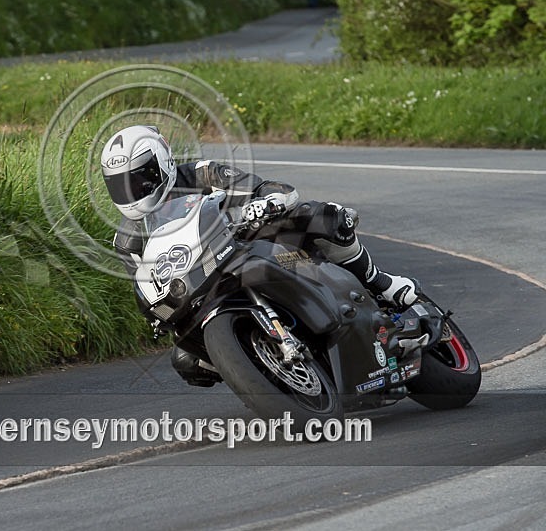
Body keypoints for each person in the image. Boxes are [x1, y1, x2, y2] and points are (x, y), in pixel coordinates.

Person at [100, 125, 419, 386]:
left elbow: (264, 188)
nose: (133, 192)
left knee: (326, 217)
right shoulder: (127, 241)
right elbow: (147, 284)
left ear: (162, 163)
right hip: (201, 285)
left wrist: (265, 202)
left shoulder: (202, 175)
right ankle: (265, 369)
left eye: (141, 179)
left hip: (248, 242)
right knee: (187, 361)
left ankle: (380, 283)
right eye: (121, 186)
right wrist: (156, 313)